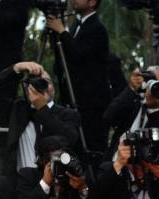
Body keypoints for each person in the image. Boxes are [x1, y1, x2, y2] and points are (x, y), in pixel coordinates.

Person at [45, 0, 111, 152]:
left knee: (92, 144)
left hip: (91, 101)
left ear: (92, 2)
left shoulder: (97, 28)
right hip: (72, 95)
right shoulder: (76, 24)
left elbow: (78, 54)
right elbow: (65, 56)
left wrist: (62, 31)